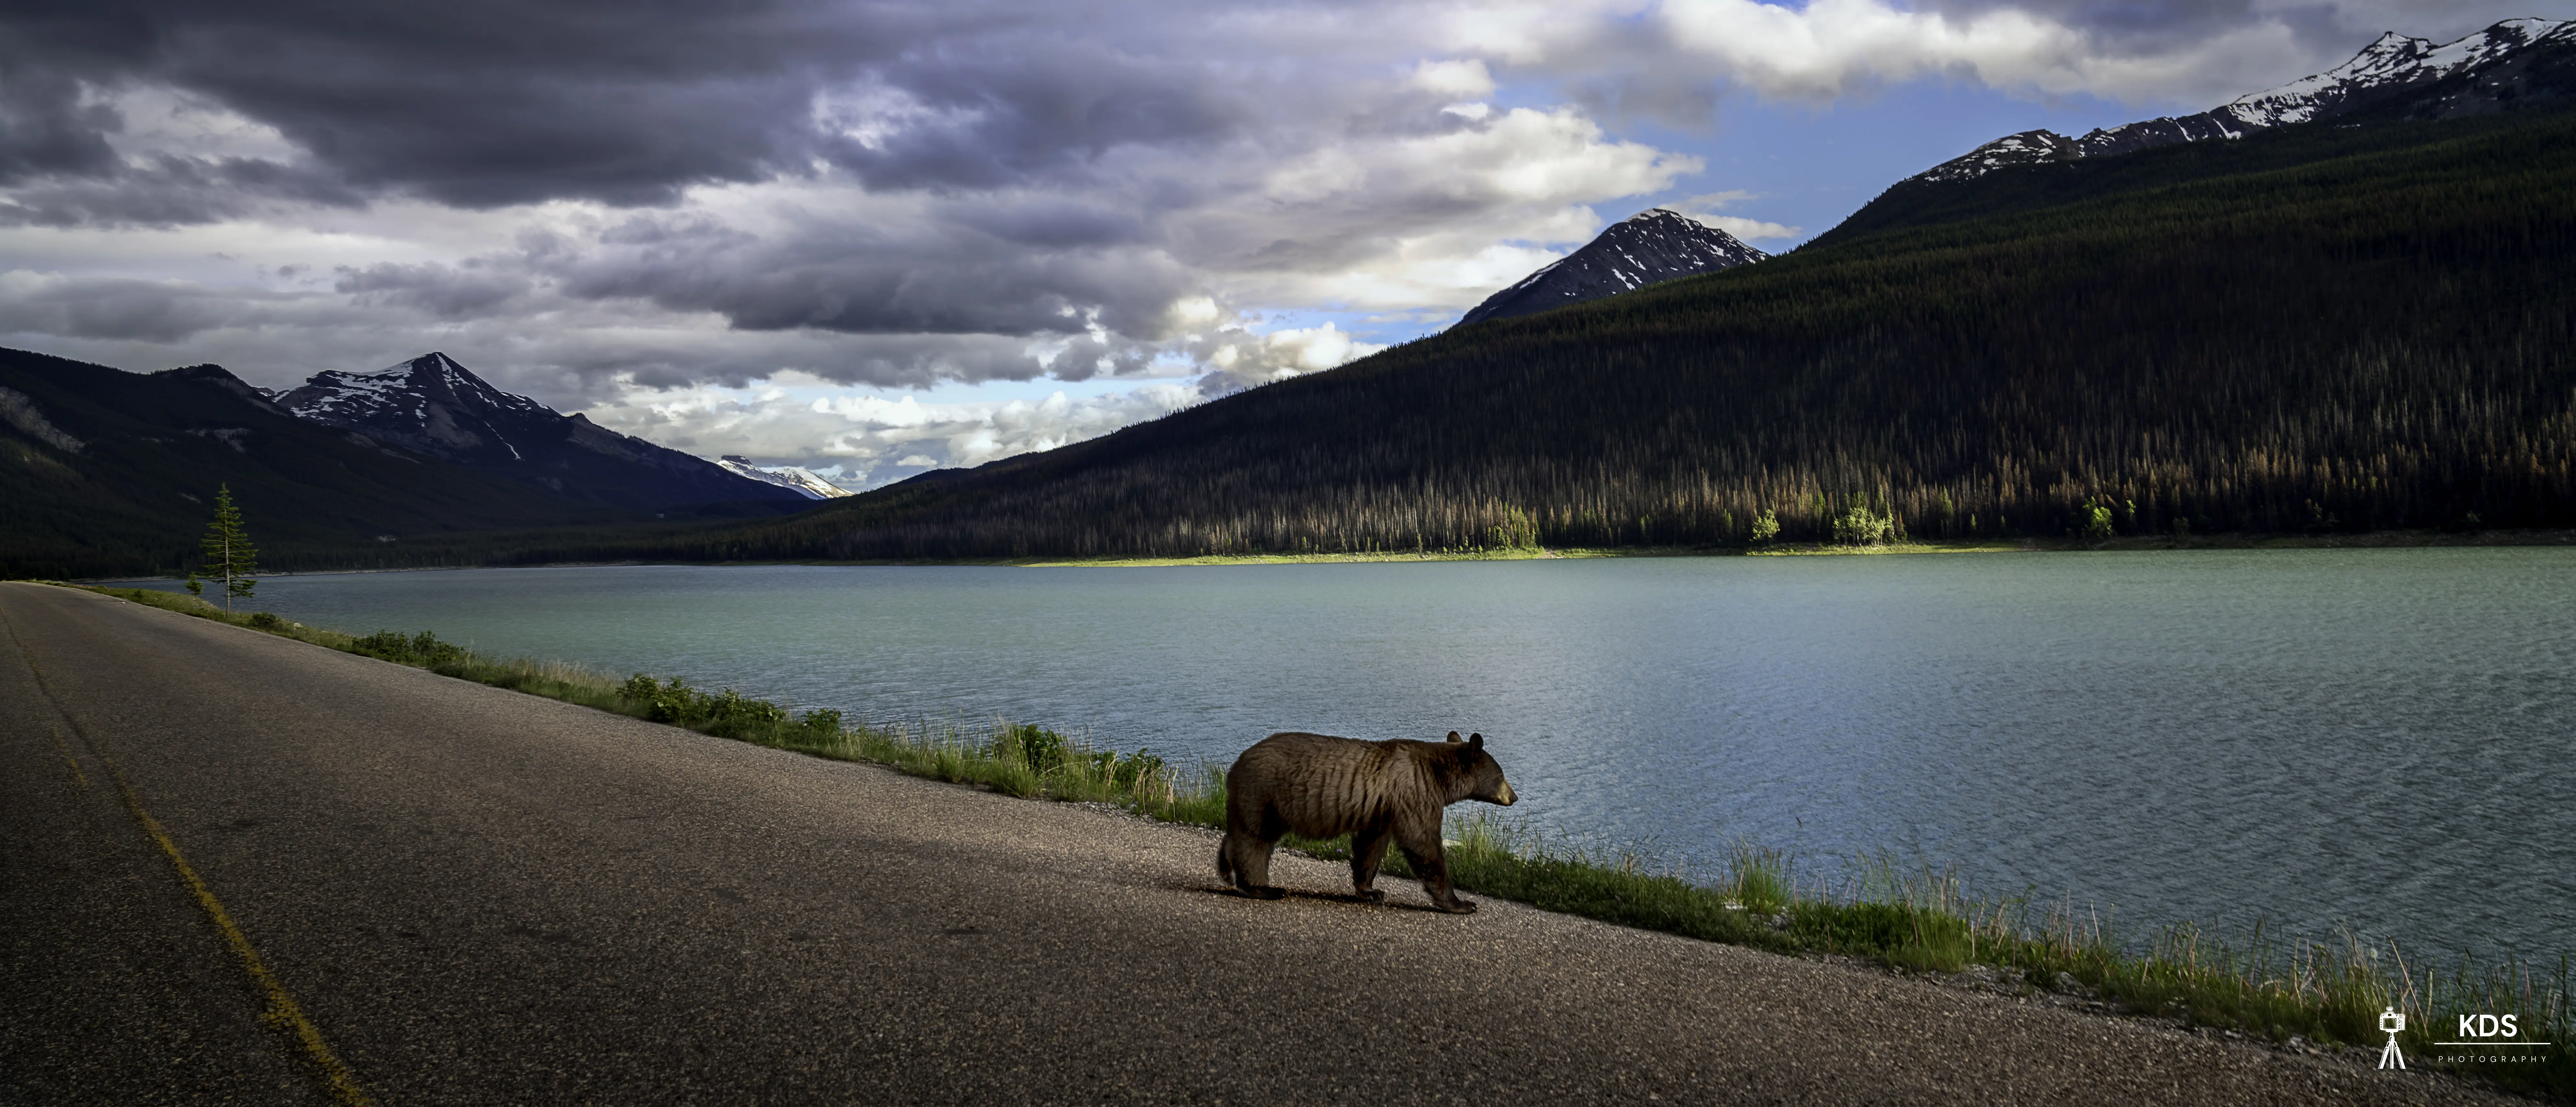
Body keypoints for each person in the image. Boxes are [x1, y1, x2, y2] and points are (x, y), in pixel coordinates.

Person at [2378, 1006, 2407, 1070]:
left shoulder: (2396, 1017)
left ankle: (2382, 1066)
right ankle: (2402, 1068)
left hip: (2392, 1038)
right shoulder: (2385, 1016)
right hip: (2392, 1038)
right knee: (2394, 1048)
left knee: (2388, 1048)